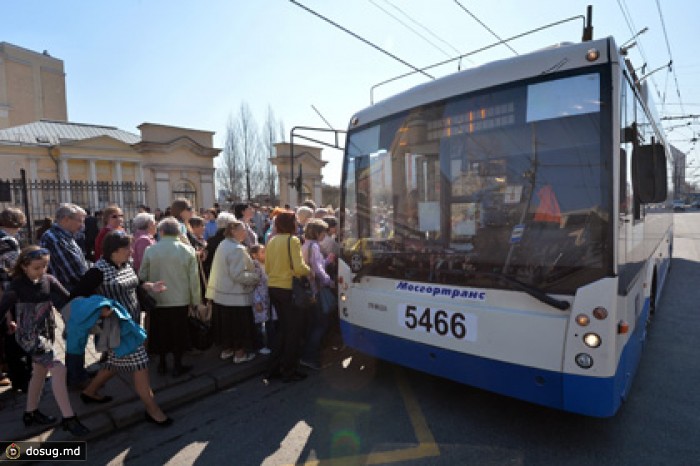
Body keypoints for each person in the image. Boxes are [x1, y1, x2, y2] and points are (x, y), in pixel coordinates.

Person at [70, 231, 171, 426]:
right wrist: (100, 310)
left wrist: (150, 287)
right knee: (141, 364)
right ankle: (154, 410)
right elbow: (76, 297)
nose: (131, 251)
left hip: (131, 324)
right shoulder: (97, 271)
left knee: (116, 362)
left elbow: (136, 284)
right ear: (114, 251)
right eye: (127, 248)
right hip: (115, 328)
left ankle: (89, 392)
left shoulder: (126, 264)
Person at [0, 246, 89, 436]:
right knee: (59, 368)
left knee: (39, 373)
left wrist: (90, 308)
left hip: (46, 333)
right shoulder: (16, 285)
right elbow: (2, 309)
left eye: (45, 266)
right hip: (28, 336)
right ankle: (69, 418)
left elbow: (68, 301)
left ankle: (30, 413)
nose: (42, 271)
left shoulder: (48, 280)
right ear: (24, 266)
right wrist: (9, 321)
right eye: (36, 267)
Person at [139, 217, 201, 376]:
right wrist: (195, 300)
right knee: (179, 333)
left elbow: (142, 275)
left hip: (157, 298)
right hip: (180, 299)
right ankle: (178, 364)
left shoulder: (151, 250)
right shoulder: (188, 250)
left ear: (161, 231)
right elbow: (194, 279)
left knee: (160, 332)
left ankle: (161, 363)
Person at [40, 203, 91, 388]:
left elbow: (81, 263)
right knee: (76, 332)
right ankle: (75, 377)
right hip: (67, 292)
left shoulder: (66, 236)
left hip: (72, 291)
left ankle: (77, 372)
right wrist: (92, 279)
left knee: (77, 331)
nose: (82, 224)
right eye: (79, 220)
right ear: (65, 219)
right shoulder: (54, 238)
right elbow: (74, 270)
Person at [264, 211, 310, 383]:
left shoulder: (272, 240)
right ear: (291, 224)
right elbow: (299, 268)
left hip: (274, 287)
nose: (297, 225)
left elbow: (267, 267)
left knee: (283, 329)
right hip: (288, 288)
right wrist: (309, 270)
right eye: (295, 222)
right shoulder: (293, 240)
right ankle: (289, 370)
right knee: (293, 332)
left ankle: (273, 368)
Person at [206, 220, 260, 363]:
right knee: (238, 327)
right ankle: (240, 354)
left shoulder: (223, 244)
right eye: (243, 230)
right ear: (233, 231)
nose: (245, 232)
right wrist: (256, 277)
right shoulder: (237, 248)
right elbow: (238, 275)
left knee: (226, 327)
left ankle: (227, 350)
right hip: (236, 295)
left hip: (222, 294)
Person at [1, 208, 31, 391]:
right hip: (9, 294)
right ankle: (22, 380)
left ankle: (18, 376)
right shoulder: (6, 241)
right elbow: (17, 266)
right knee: (15, 337)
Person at [300, 219, 335, 370]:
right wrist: (330, 282)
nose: (324, 236)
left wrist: (327, 260)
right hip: (317, 290)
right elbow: (319, 270)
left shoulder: (305, 244)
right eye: (323, 233)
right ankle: (310, 357)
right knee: (321, 324)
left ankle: (308, 354)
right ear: (317, 233)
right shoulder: (314, 246)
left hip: (309, 290)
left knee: (314, 324)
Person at [250, 244, 275, 355]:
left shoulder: (266, 265)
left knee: (268, 320)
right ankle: (259, 345)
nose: (266, 254)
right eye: (262, 252)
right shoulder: (254, 267)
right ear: (254, 255)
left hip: (267, 297)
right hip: (259, 299)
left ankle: (270, 343)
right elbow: (253, 286)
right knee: (258, 324)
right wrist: (257, 301)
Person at [201, 212, 236, 280]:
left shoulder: (210, 241)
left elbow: (206, 262)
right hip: (230, 278)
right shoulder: (232, 241)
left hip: (214, 277)